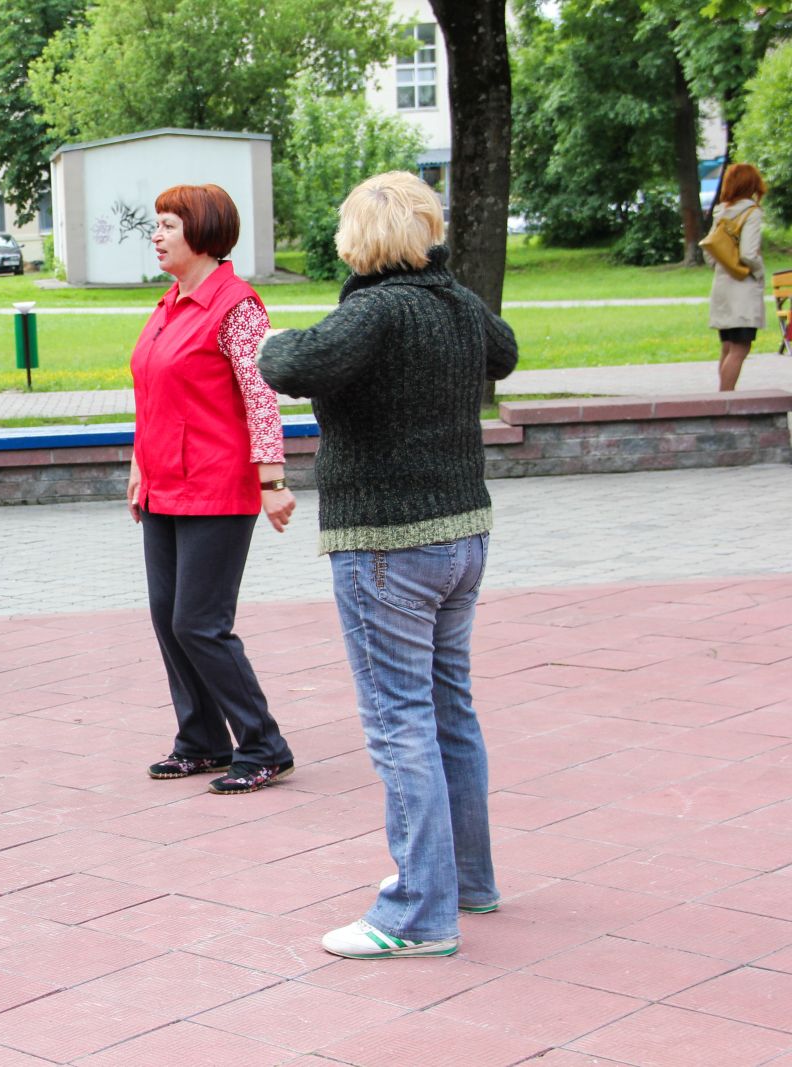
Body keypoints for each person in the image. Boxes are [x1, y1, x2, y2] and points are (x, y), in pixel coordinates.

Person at [257, 171, 518, 960]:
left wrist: (269, 339)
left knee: (399, 721)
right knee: (449, 712)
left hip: (387, 547)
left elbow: (290, 365)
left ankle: (417, 912)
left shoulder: (374, 310)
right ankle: (467, 878)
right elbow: (502, 352)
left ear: (360, 239)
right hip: (463, 538)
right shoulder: (455, 303)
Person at [129, 183, 297, 796]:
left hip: (218, 485)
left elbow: (260, 398)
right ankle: (201, 742)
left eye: (169, 224)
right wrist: (138, 467)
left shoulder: (237, 306)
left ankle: (263, 745)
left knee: (200, 622)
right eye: (157, 224)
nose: (157, 235)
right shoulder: (171, 302)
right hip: (164, 486)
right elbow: (153, 393)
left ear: (201, 231)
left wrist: (272, 480)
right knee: (168, 619)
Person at [706, 162, 766, 392]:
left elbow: (709, 250)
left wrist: (719, 267)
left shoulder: (721, 212)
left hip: (722, 286)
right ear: (752, 185)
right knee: (740, 348)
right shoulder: (751, 213)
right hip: (743, 288)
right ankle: (726, 399)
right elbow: (749, 254)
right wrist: (759, 272)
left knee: (727, 347)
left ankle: (723, 397)